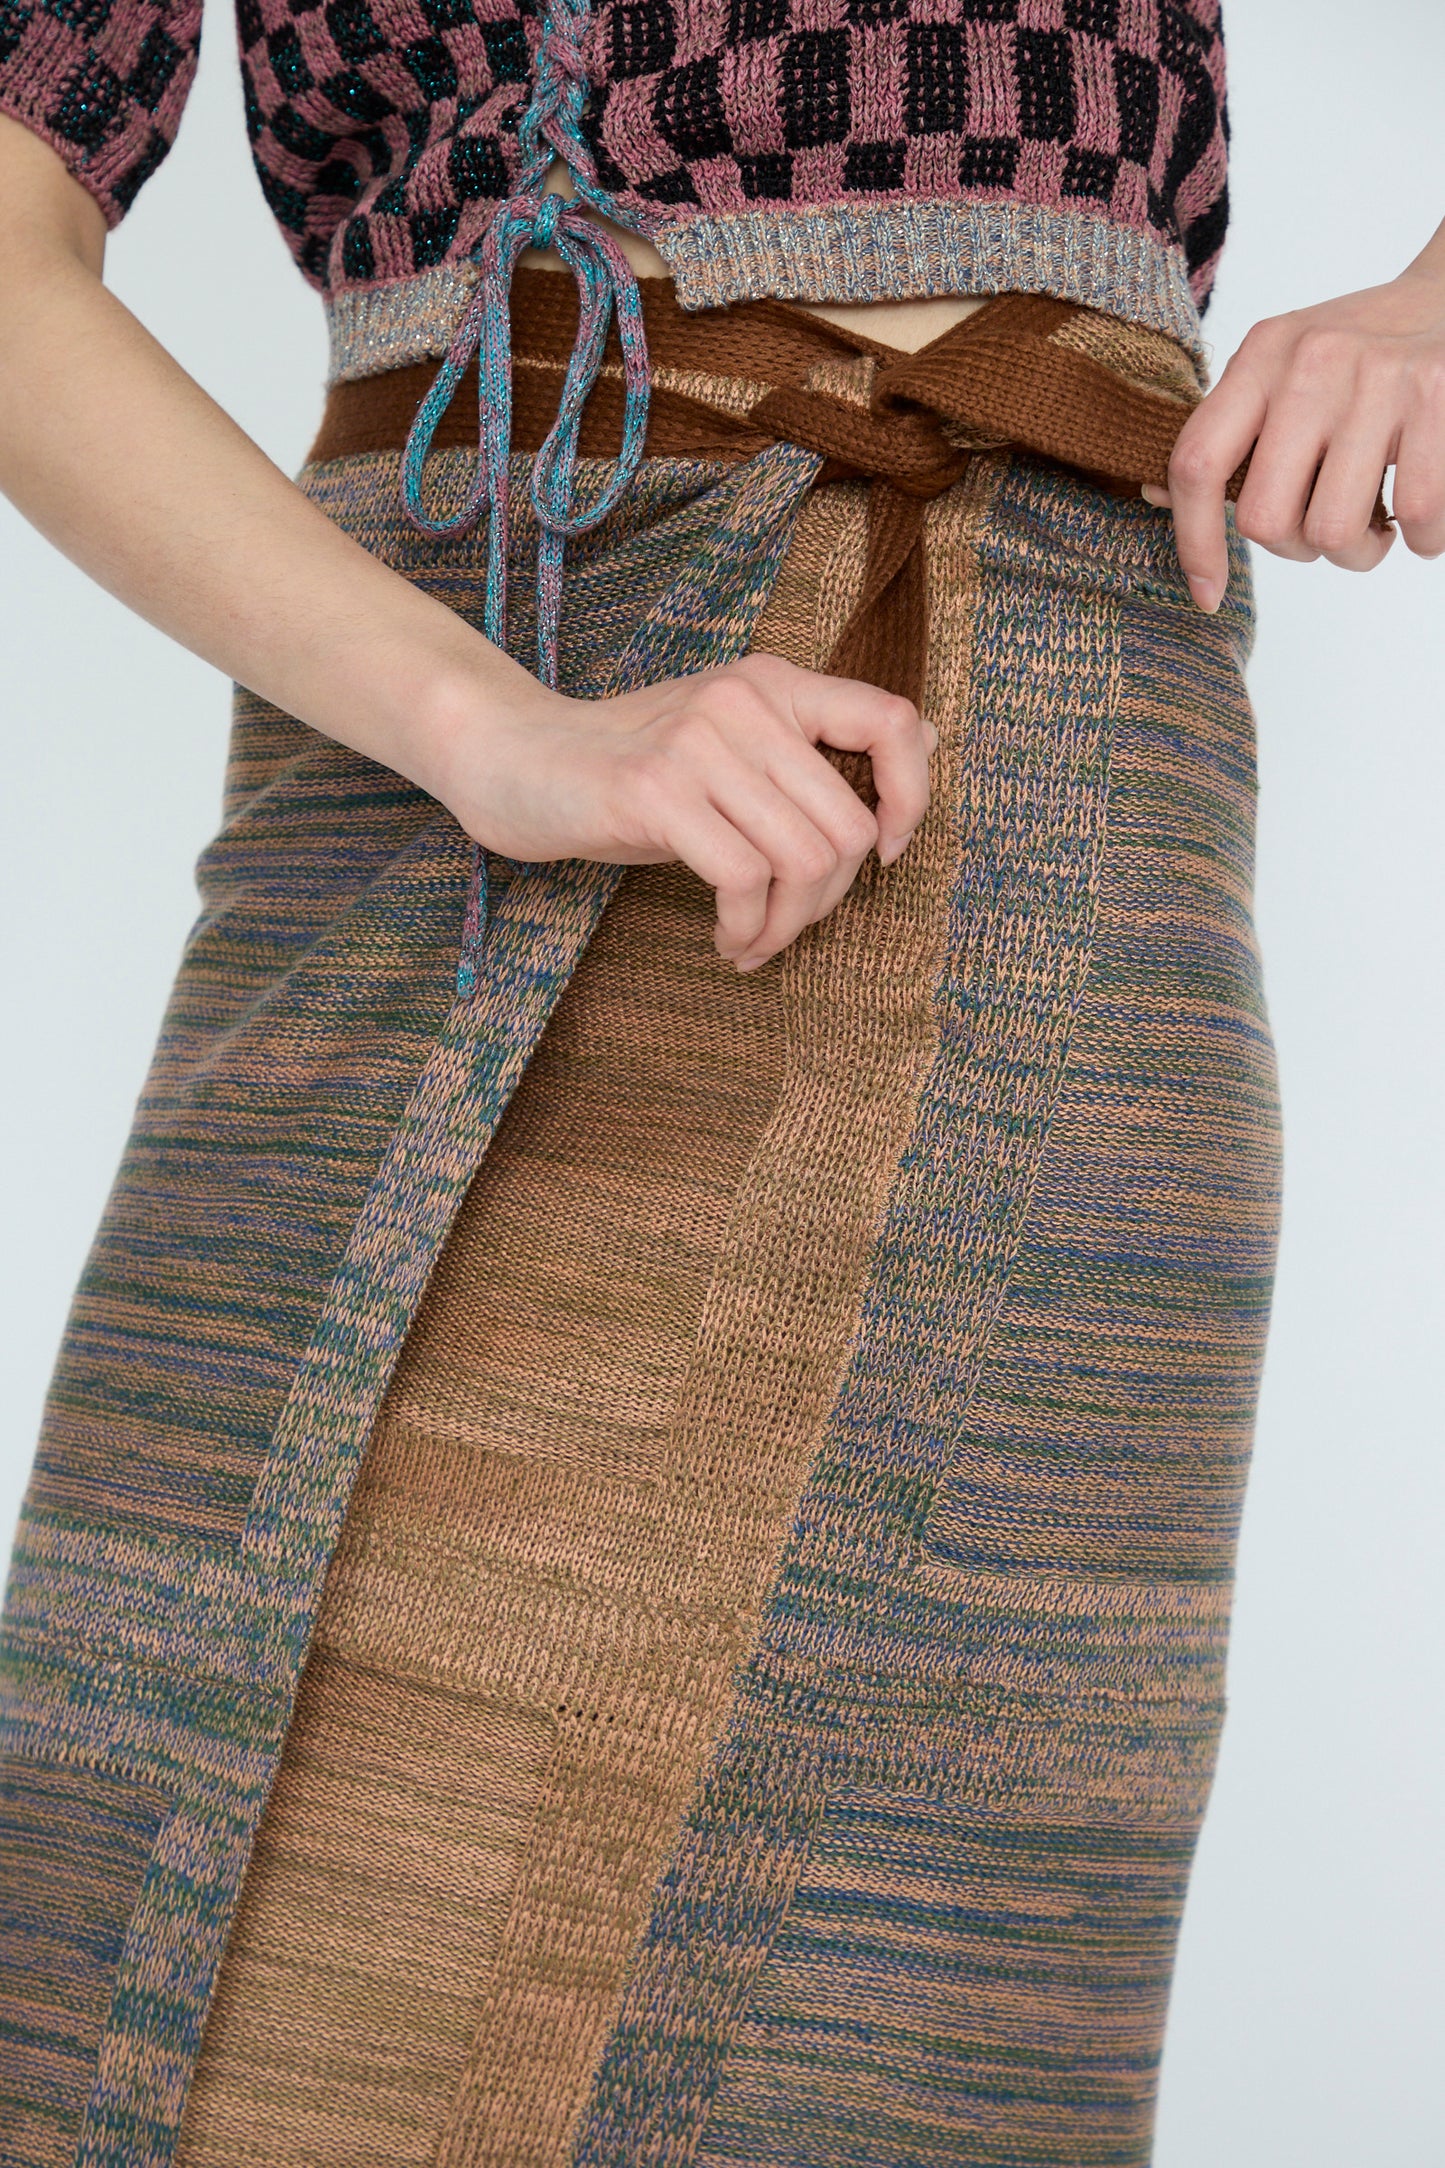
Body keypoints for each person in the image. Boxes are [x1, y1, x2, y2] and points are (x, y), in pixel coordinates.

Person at [0, 1, 1441, 2161]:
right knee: (159, 1863)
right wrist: (492, 734)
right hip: (397, 759)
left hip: (980, 756)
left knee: (855, 1989)